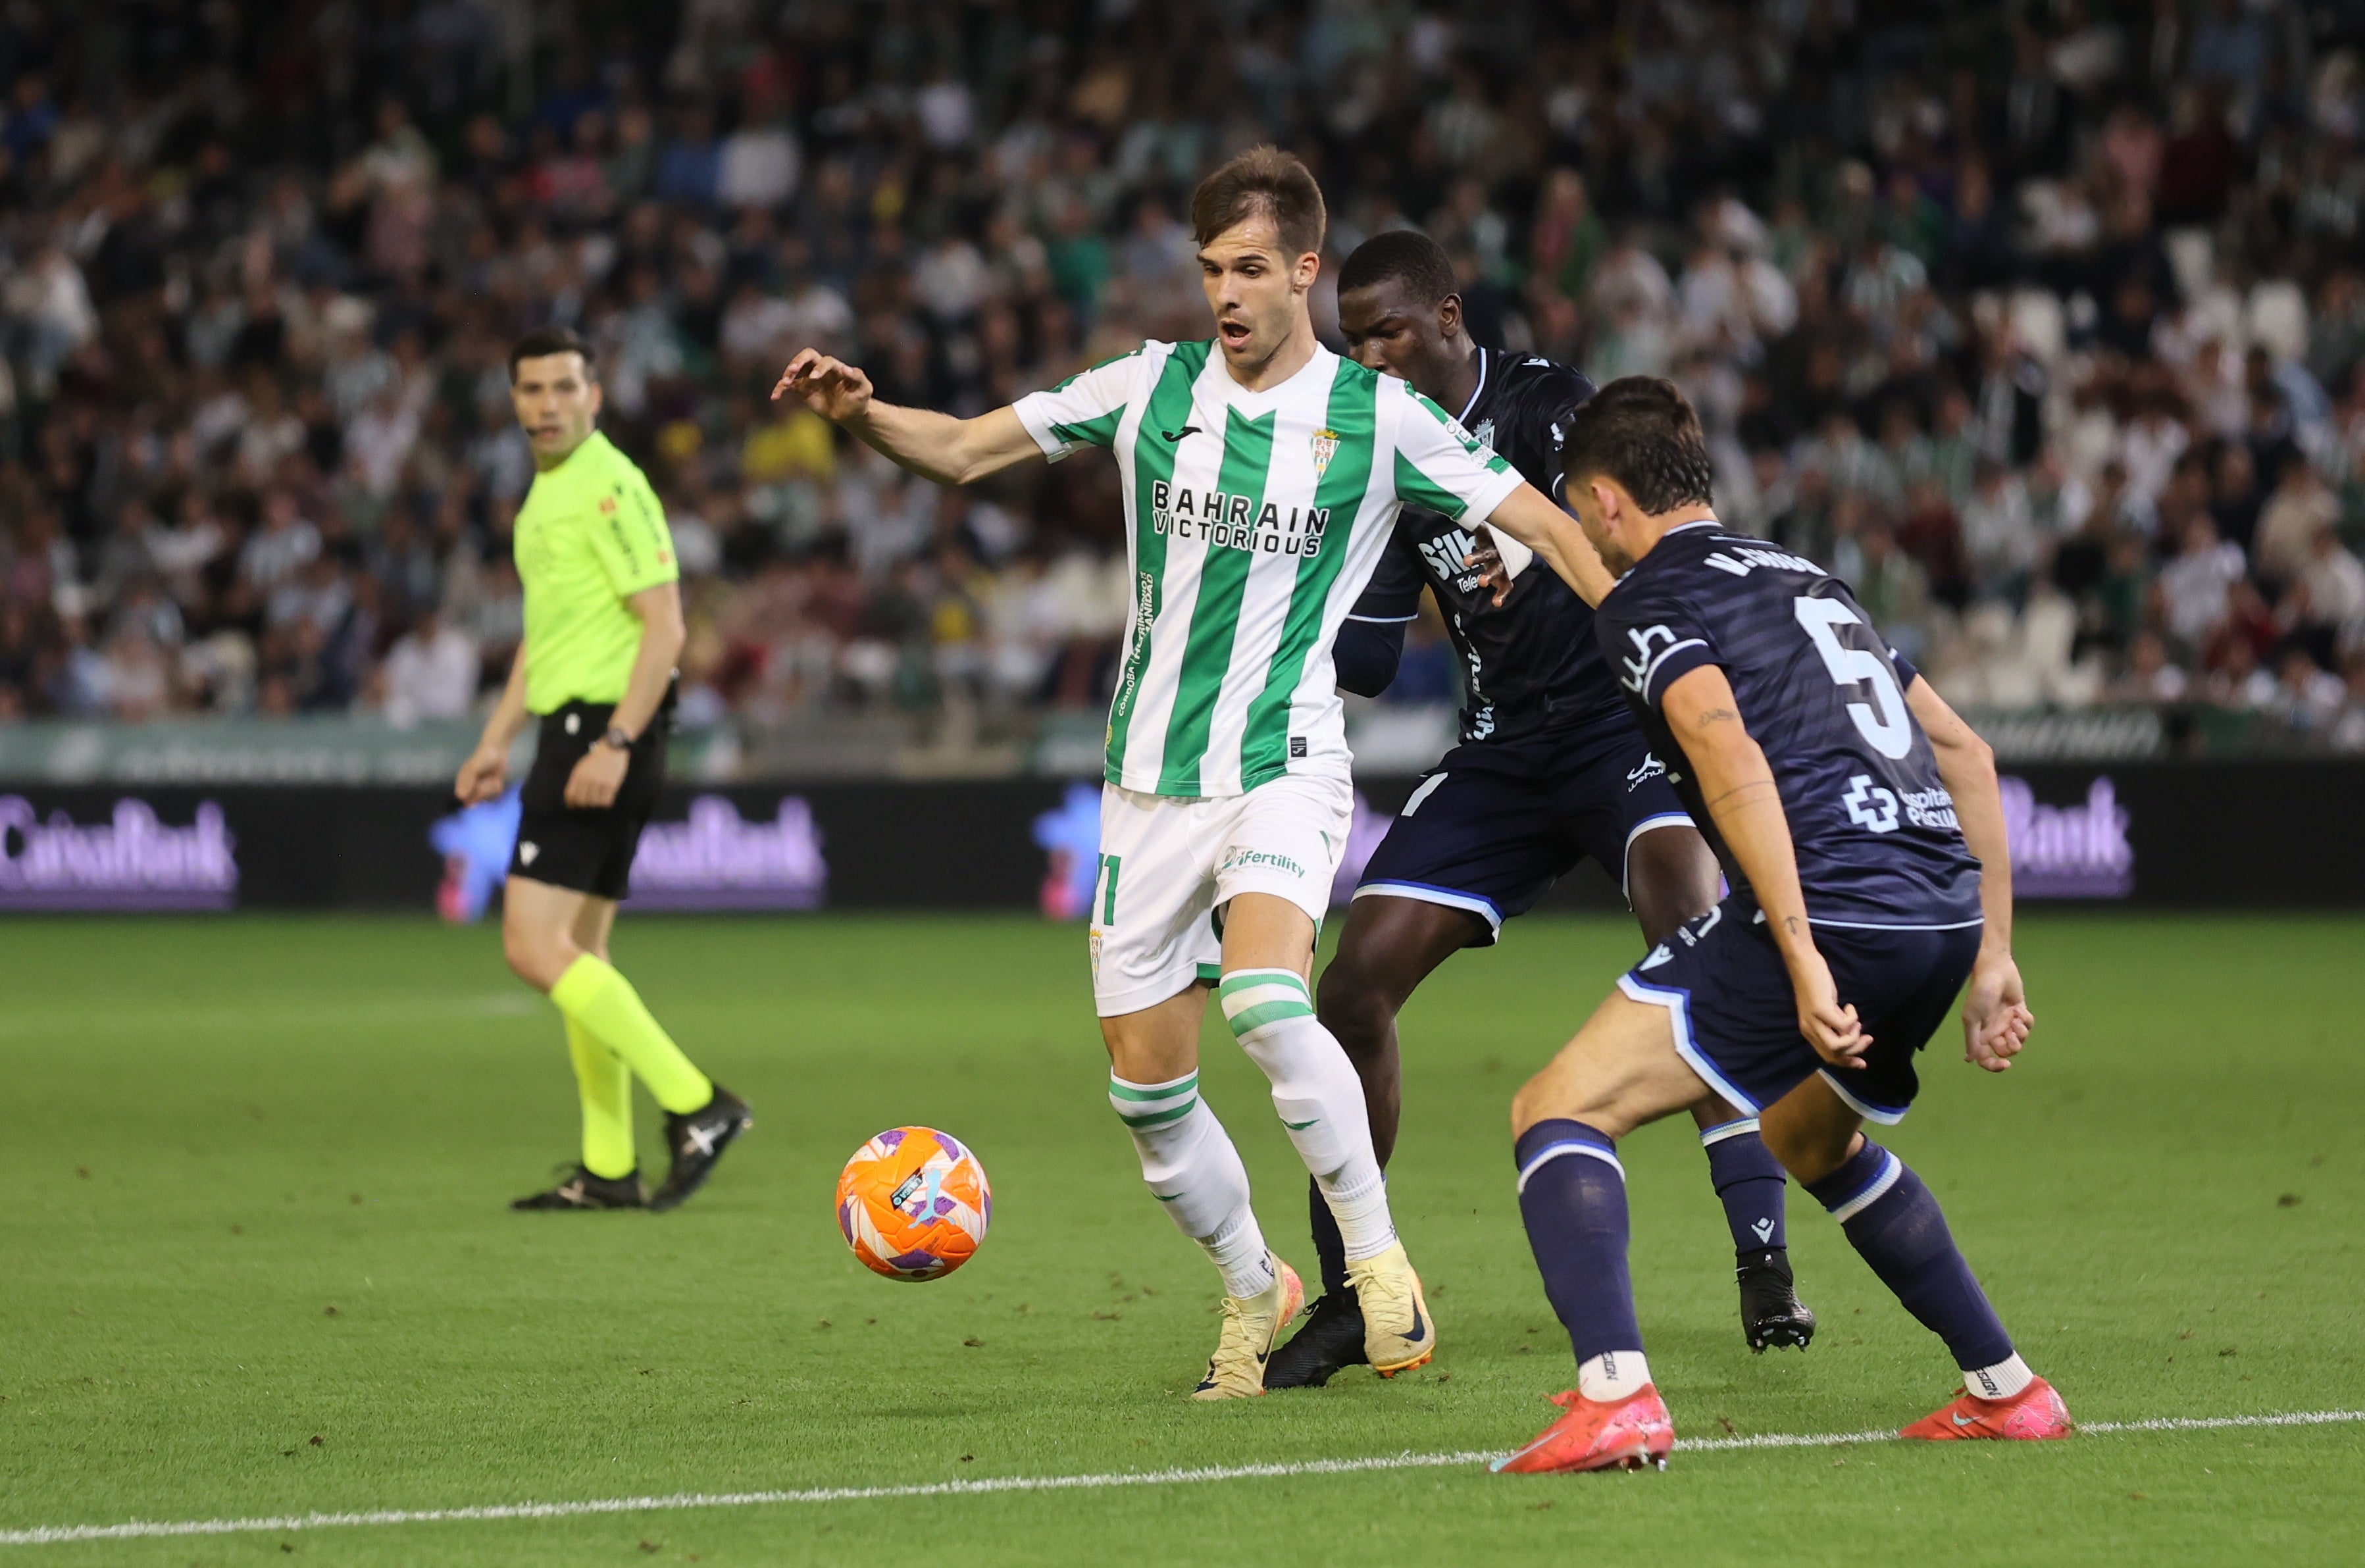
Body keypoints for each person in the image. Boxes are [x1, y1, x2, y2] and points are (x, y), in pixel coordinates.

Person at [774, 147, 1608, 1399]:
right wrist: (860, 413)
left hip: (1284, 760)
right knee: (1147, 1100)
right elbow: (958, 453)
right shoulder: (1146, 387)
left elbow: (1544, 523)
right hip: (1146, 783)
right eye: (1212, 267)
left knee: (1267, 1002)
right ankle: (1252, 1282)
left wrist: (1654, 635)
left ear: (1305, 272)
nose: (1226, 292)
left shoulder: (1378, 417)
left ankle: (1377, 1267)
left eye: (1252, 269)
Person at [1492, 378, 2069, 1474]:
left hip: (1834, 907)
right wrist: (1993, 953)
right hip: (1937, 913)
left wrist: (1799, 955)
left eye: (1576, 505)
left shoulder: (1646, 598)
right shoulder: (1806, 579)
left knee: (1557, 1108)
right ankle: (2008, 1390)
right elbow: (1967, 754)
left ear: (1604, 501)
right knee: (1806, 1138)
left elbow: (1726, 751)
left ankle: (1614, 1396)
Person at [1266, 231, 1812, 1392]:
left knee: (1694, 936)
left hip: (1621, 726)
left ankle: (1761, 1252)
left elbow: (1628, 541)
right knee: (1351, 988)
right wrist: (1298, 588)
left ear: (1448, 317)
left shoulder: (1547, 409)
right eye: (1351, 341)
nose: (1368, 356)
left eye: (1386, 332)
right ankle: (1357, 1293)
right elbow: (1369, 660)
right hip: (1506, 751)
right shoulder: (1386, 453)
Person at [454, 326, 753, 1214]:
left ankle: (699, 1104)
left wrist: (615, 743)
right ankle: (608, 1167)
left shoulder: (610, 484)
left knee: (531, 946)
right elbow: (544, 642)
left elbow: (667, 627)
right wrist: (495, 739)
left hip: (603, 731)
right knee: (580, 953)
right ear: (514, 401)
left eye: (564, 387)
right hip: (580, 728)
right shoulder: (545, 498)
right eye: (531, 389)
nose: (547, 404)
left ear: (595, 395)